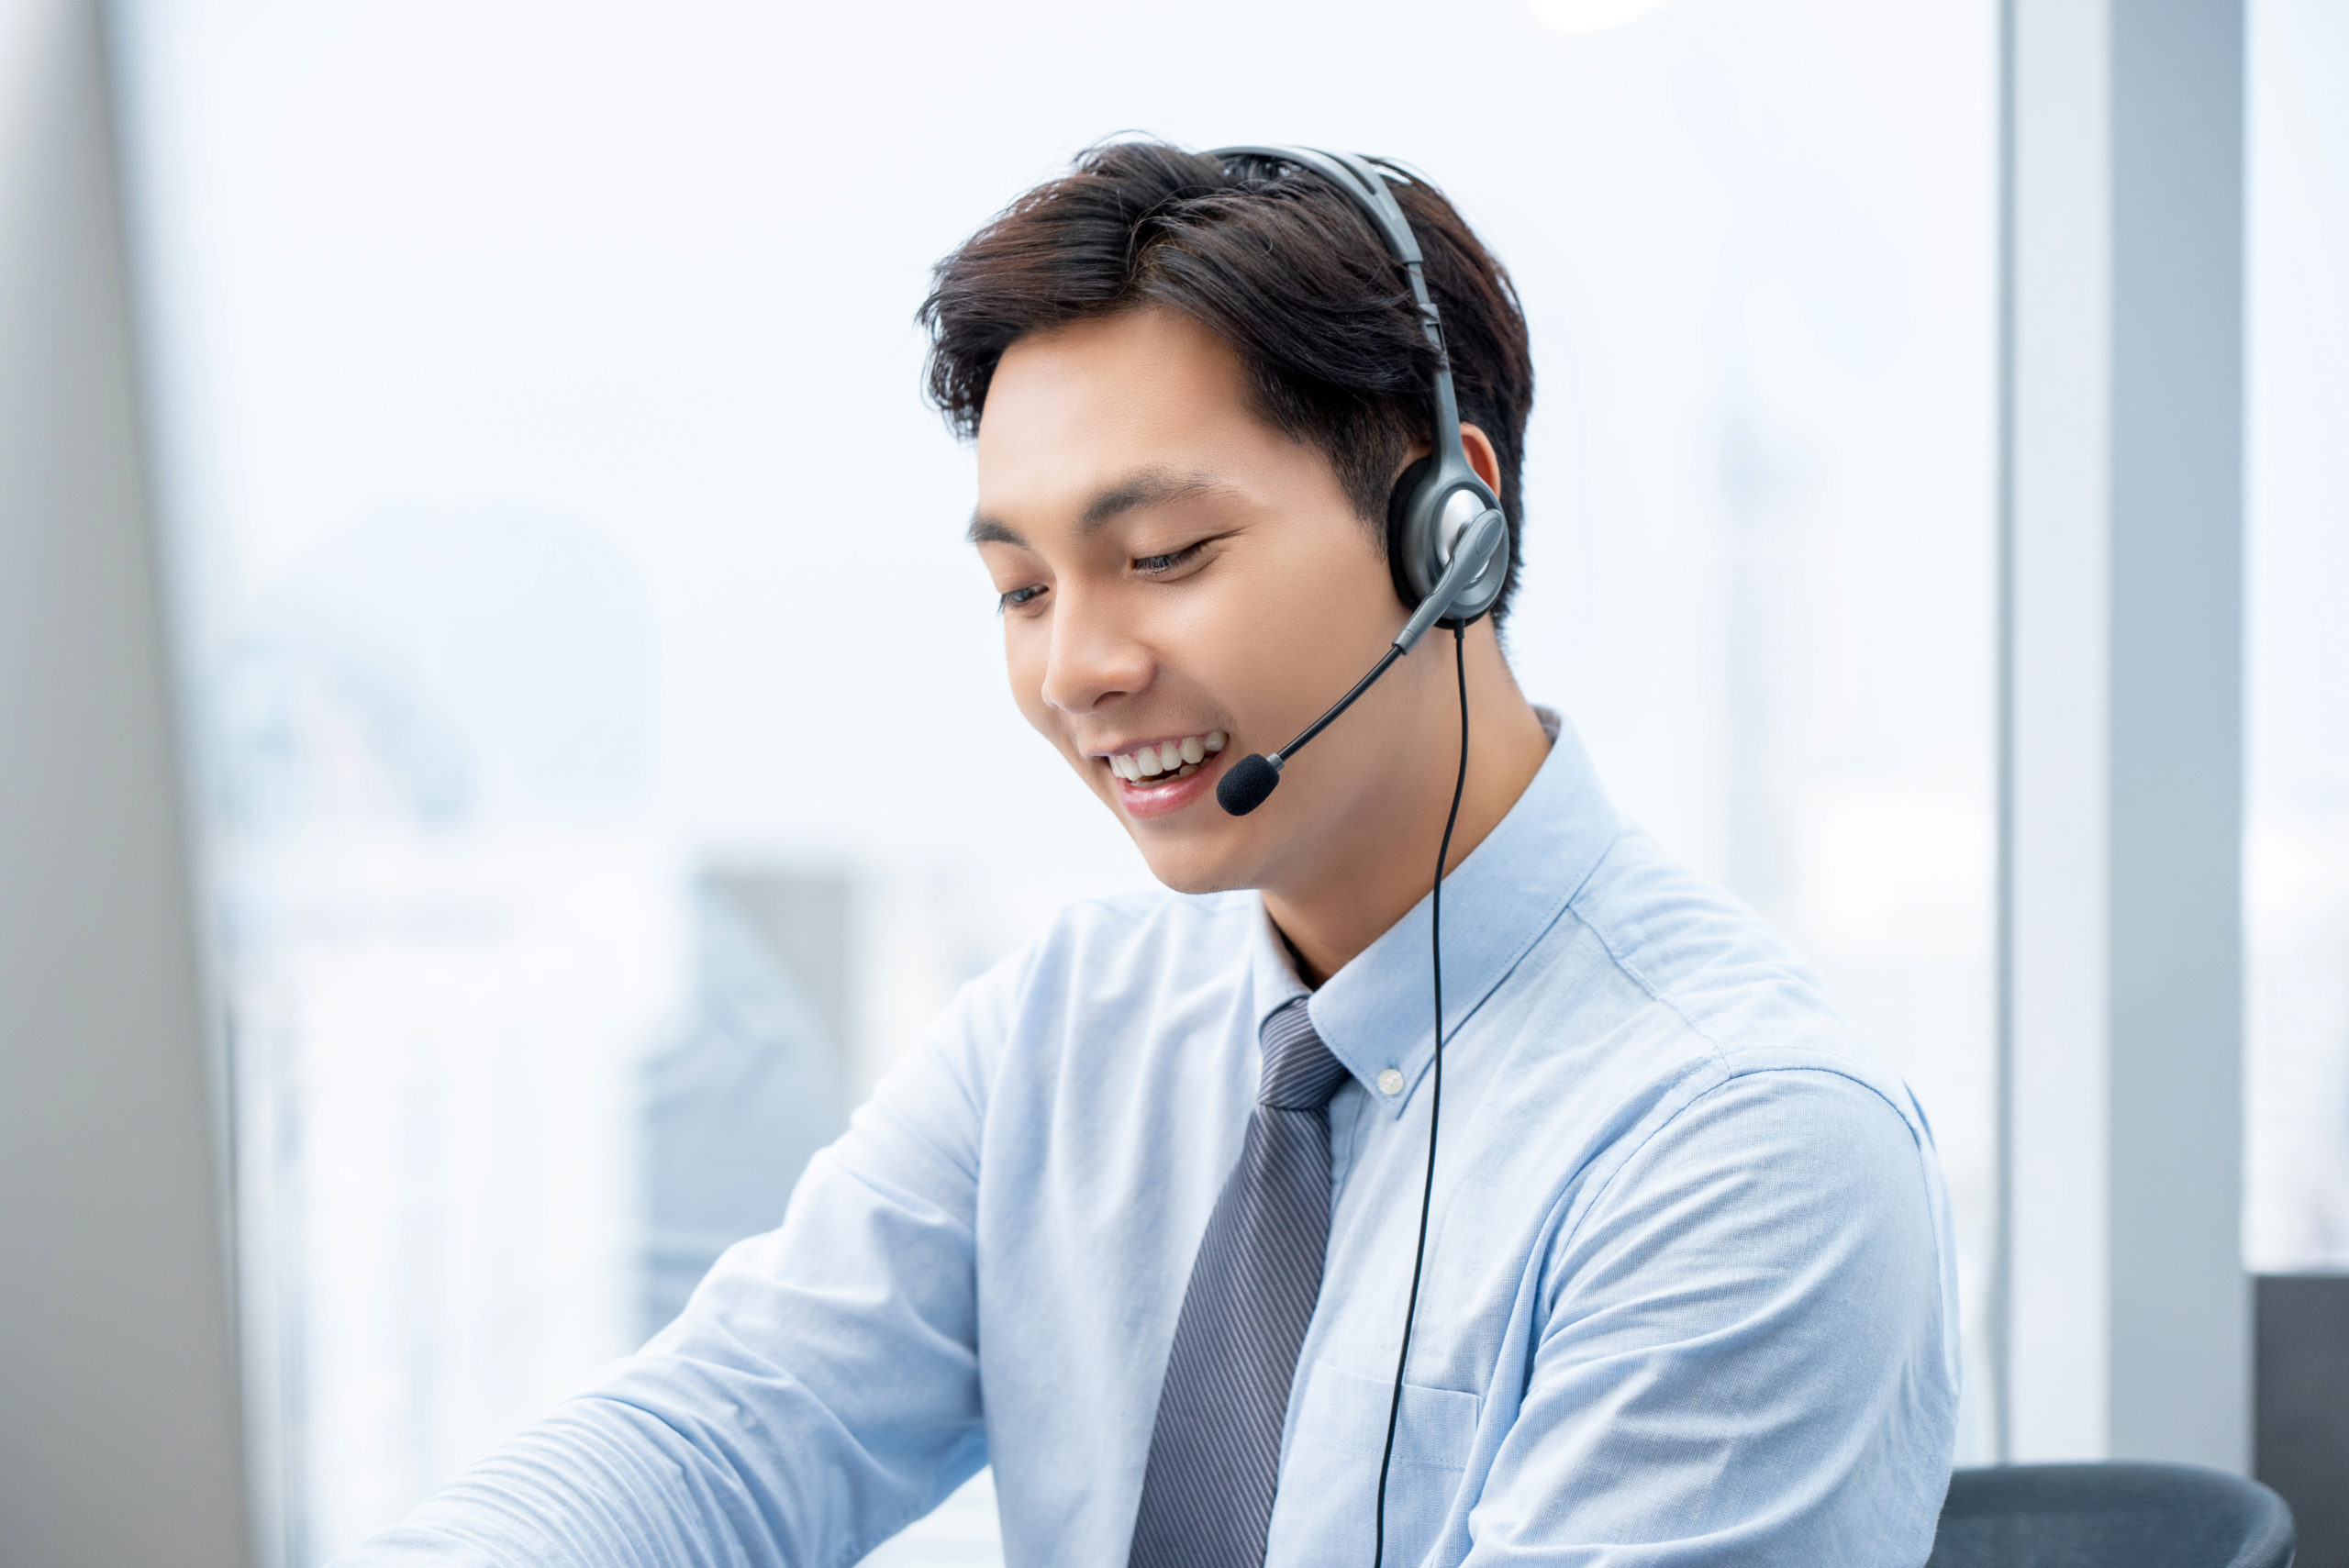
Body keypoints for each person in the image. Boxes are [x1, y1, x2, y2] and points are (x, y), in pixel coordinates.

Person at [337, 139, 1958, 1568]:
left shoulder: (1743, 1144)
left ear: (1447, 530)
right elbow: (730, 1436)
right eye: (1025, 590)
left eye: (1163, 555)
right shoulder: (1068, 1020)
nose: (1076, 672)